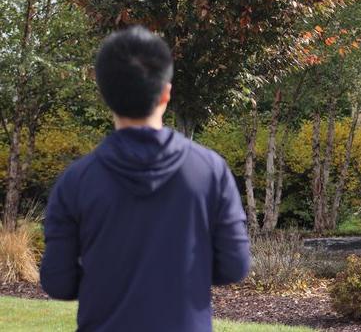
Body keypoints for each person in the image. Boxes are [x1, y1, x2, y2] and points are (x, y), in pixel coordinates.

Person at [40, 26, 251, 331]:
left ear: (104, 93)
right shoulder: (210, 171)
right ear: (166, 92)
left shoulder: (75, 181)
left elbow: (58, 282)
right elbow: (234, 266)